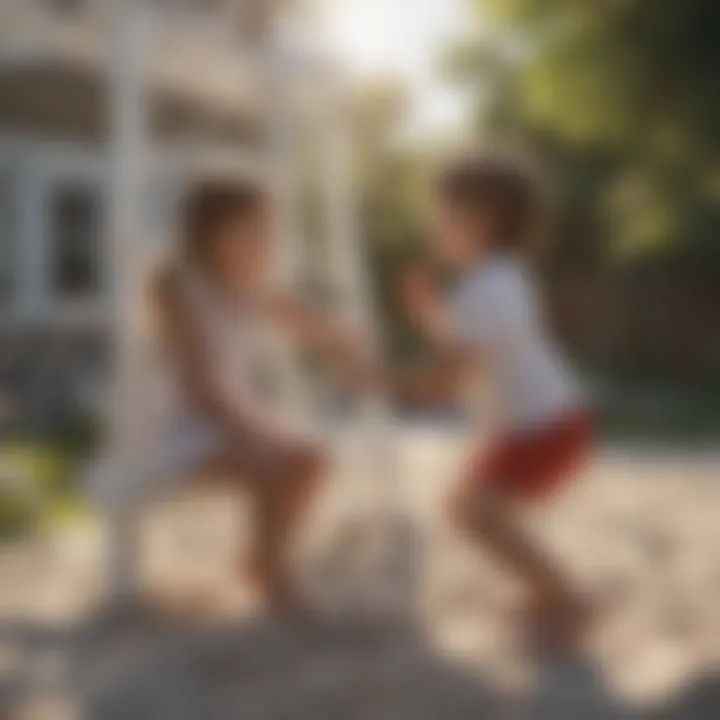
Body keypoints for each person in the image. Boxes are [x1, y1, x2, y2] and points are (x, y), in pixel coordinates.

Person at [396, 149, 594, 649]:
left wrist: (383, 382)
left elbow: (450, 376)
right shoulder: (497, 278)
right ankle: (548, 591)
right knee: (470, 510)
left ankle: (566, 599)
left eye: (442, 215)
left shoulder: (488, 288)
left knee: (479, 514)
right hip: (539, 422)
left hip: (542, 428)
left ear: (482, 221)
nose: (432, 226)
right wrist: (429, 314)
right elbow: (468, 346)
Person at [143, 178, 362, 616]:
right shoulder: (181, 288)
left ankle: (258, 558)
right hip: (183, 423)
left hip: (231, 411)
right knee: (275, 464)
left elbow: (301, 321)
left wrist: (338, 340)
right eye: (250, 231)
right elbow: (198, 387)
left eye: (268, 231)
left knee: (312, 459)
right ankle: (278, 582)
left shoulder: (253, 283)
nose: (264, 242)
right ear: (209, 233)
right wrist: (254, 433)